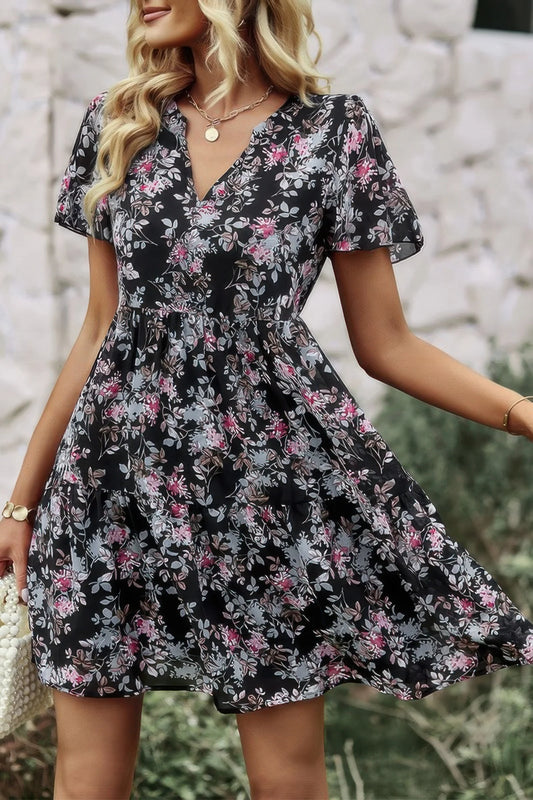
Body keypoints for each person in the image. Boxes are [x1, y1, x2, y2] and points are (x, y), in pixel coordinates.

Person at [1, 0, 532, 797]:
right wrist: (21, 506)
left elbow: (385, 344)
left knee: (285, 779)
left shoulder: (333, 134)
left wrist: (521, 412)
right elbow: (99, 328)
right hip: (106, 490)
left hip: (260, 496)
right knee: (85, 782)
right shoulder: (119, 123)